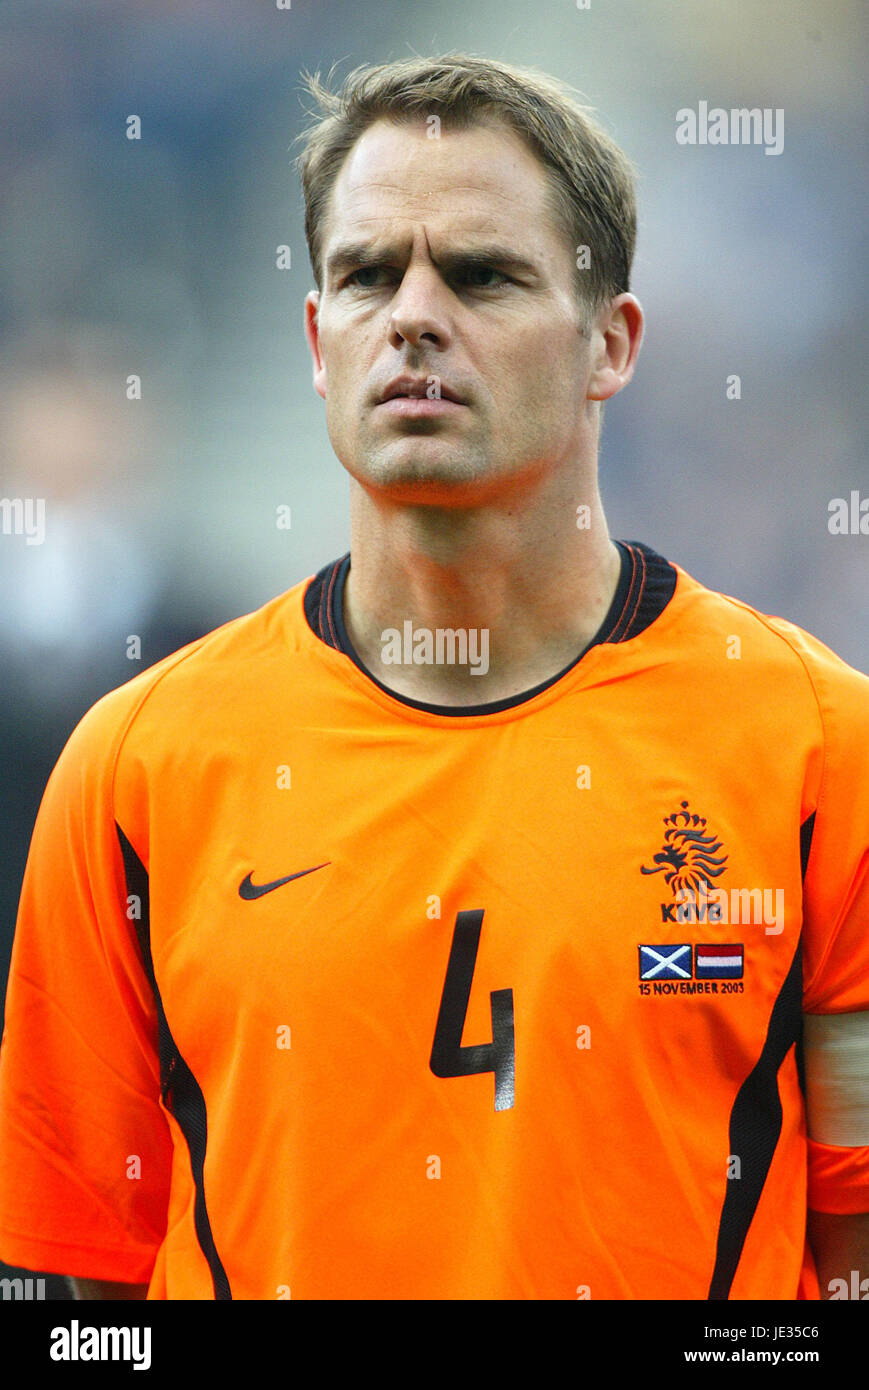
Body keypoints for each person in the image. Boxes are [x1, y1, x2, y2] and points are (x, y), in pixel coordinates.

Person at [0, 53, 866, 1301]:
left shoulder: (819, 753)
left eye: (480, 275)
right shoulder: (135, 770)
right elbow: (78, 1286)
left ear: (608, 344)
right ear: (314, 340)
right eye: (363, 275)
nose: (410, 314)